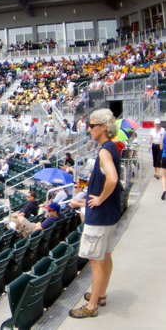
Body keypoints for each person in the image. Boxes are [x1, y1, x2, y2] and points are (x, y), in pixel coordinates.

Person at [69, 108, 120, 319]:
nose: (88, 129)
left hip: (99, 216)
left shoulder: (104, 151)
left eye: (92, 125)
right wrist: (85, 185)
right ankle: (100, 294)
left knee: (95, 262)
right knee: (105, 256)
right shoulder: (111, 147)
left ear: (104, 127)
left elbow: (113, 179)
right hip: (109, 216)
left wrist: (98, 199)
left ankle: (91, 306)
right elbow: (103, 179)